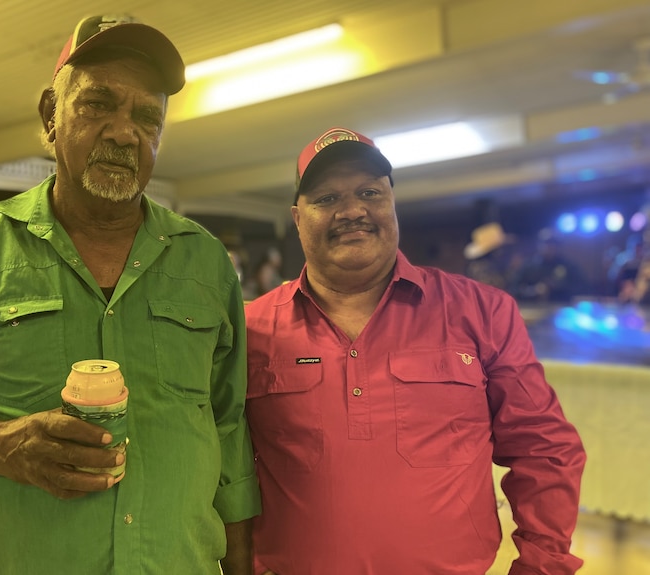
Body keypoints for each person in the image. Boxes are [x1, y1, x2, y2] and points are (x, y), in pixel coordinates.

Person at [0, 14, 260, 575]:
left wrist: (242, 561)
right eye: (98, 104)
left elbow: (228, 427)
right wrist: (0, 445)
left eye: (147, 117)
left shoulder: (205, 261)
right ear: (51, 115)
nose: (125, 133)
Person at [244, 127, 586, 574]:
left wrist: (543, 566)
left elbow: (544, 449)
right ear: (297, 217)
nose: (352, 210)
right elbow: (219, 460)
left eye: (369, 192)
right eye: (326, 198)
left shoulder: (481, 311)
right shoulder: (251, 328)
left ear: (391, 203)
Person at [512, 228, 587, 303]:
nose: (550, 247)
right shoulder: (528, 266)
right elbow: (513, 289)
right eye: (546, 243)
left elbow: (582, 288)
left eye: (553, 244)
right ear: (539, 245)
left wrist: (557, 286)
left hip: (561, 307)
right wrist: (533, 290)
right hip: (532, 309)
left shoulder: (568, 266)